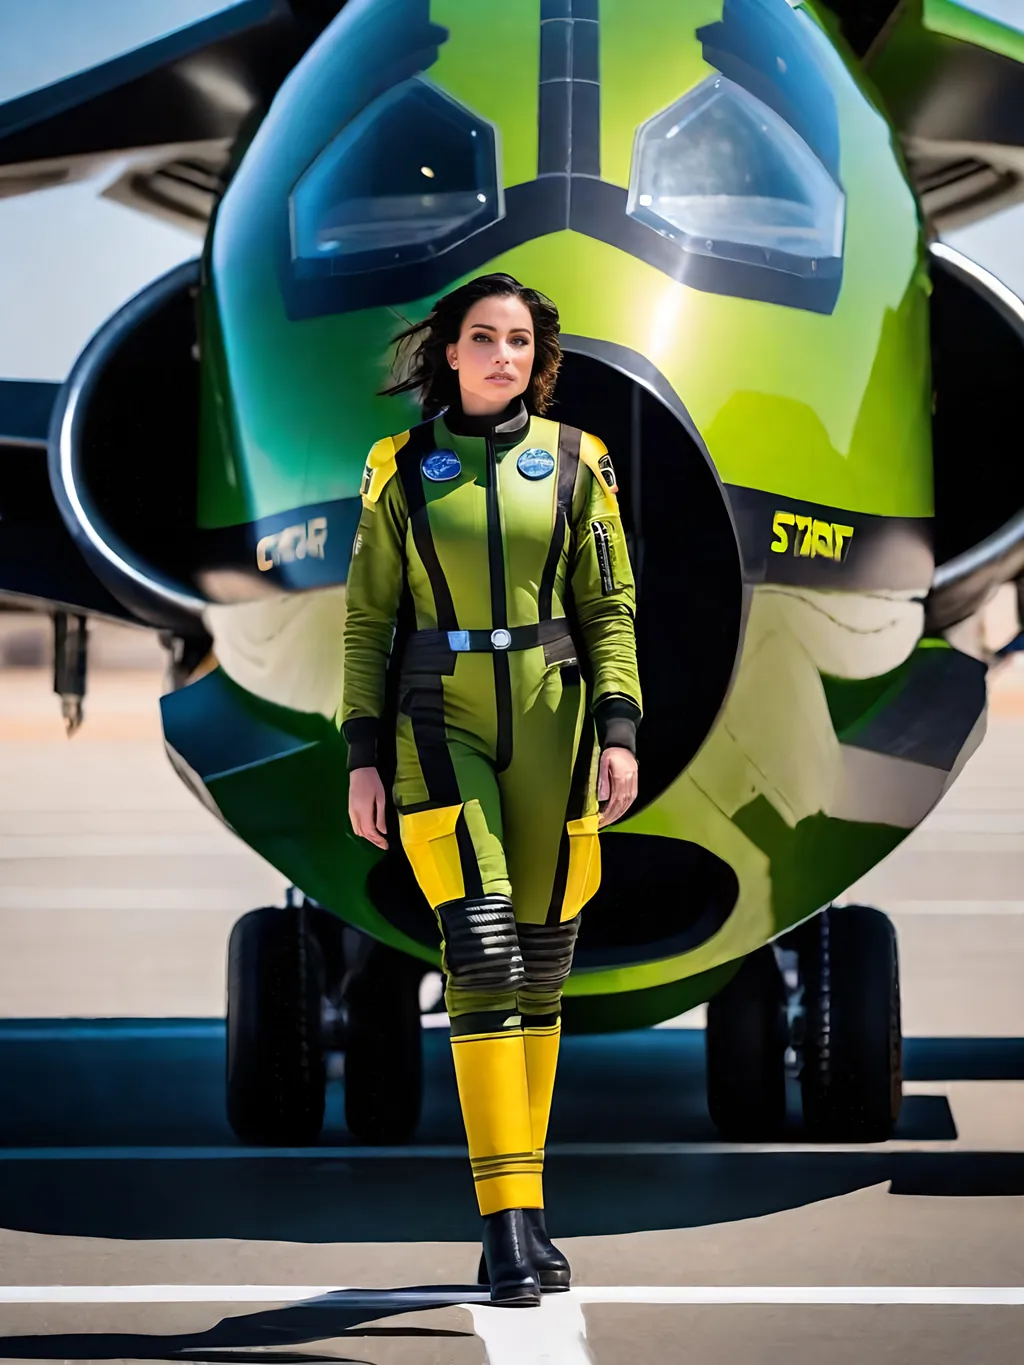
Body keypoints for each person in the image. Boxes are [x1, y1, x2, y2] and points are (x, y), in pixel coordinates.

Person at [340, 272, 642, 1306]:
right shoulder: (398, 470)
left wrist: (619, 730)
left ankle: (531, 1205)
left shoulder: (575, 462)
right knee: (480, 946)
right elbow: (368, 623)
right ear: (450, 352)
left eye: (518, 341)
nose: (501, 356)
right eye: (483, 338)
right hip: (439, 721)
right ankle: (506, 1228)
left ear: (536, 359)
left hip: (555, 727)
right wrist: (360, 753)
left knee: (544, 966)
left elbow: (608, 605)